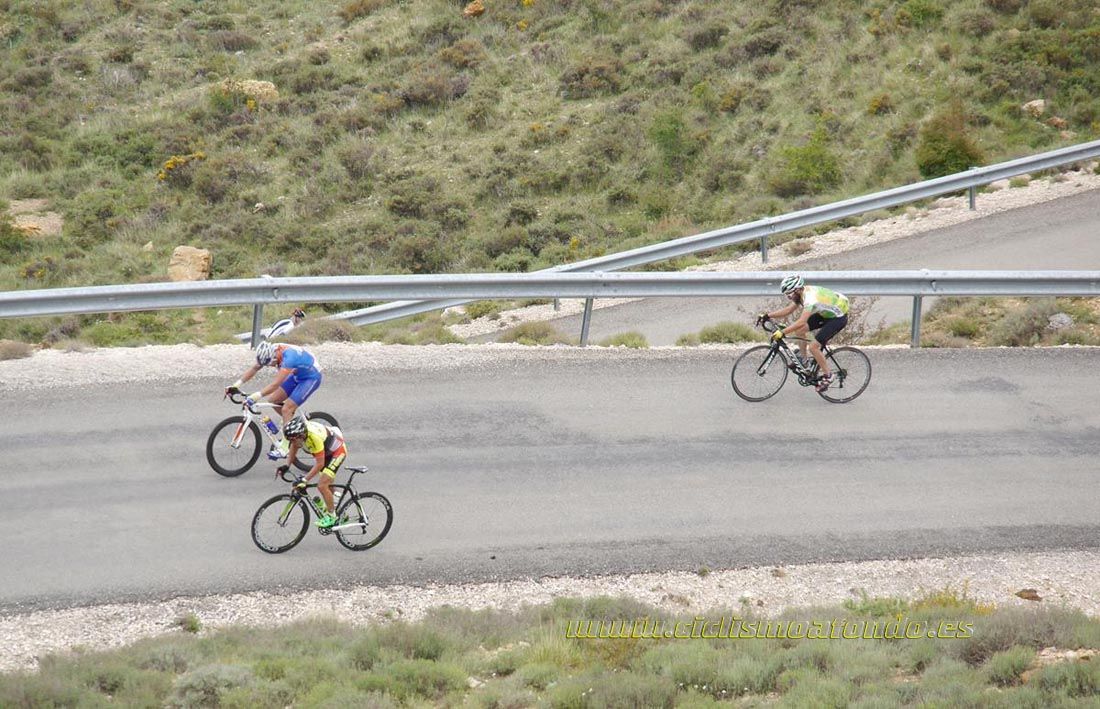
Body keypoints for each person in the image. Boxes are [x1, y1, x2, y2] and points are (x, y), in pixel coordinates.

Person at [225, 340, 324, 459]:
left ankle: (285, 447)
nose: (268, 366)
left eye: (269, 364)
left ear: (274, 357)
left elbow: (275, 385)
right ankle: (290, 424)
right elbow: (255, 368)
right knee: (273, 400)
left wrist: (255, 396)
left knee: (287, 409)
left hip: (311, 377)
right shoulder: (270, 352)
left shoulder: (289, 359)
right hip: (297, 374)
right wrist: (236, 385)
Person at [757, 274, 849, 392]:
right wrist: (767, 315)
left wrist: (782, 332)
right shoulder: (800, 294)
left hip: (838, 318)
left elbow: (801, 321)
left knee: (814, 347)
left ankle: (828, 375)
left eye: (790, 294)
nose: (789, 297)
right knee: (799, 330)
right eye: (787, 295)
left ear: (798, 290)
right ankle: (804, 361)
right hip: (826, 314)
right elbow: (789, 310)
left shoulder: (810, 298)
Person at [279, 414, 347, 529]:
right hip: (327, 450)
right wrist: (287, 465)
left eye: (294, 439)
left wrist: (305, 480)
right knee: (328, 485)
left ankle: (332, 517)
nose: (293, 442)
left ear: (301, 435)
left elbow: (319, 464)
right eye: (290, 440)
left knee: (322, 485)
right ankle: (341, 511)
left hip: (337, 451)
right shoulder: (299, 436)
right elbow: (294, 448)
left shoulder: (313, 438)